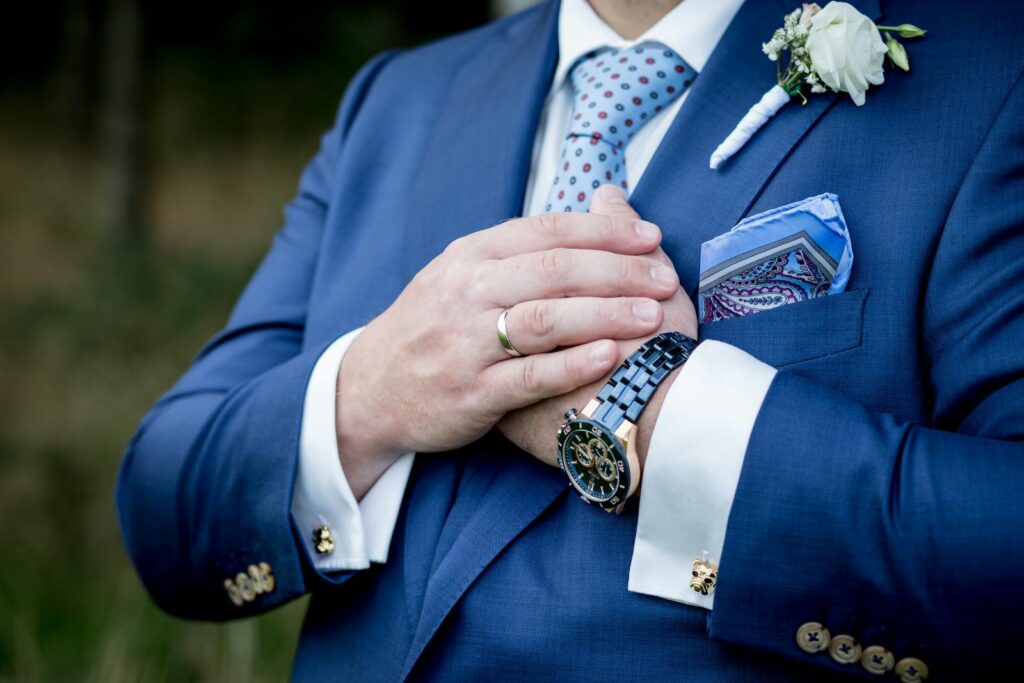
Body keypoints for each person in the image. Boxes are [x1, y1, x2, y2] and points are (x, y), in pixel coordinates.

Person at [117, 0, 1024, 679]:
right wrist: (370, 395)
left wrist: (671, 416)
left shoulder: (991, 75)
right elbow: (166, 510)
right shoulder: (396, 102)